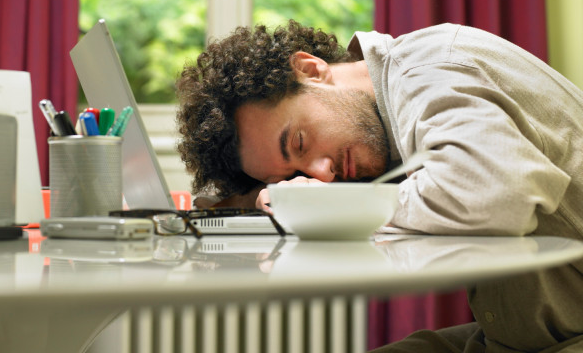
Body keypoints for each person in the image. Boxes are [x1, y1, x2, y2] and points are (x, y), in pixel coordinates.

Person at [174, 20, 583, 352]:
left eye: (299, 142)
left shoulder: (428, 70)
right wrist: (253, 201)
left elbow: (497, 196)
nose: (323, 174)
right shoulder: (374, 123)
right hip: (515, 337)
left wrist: (337, 207)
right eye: (293, 173)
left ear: (311, 70)